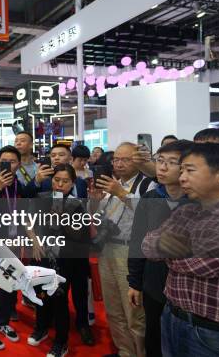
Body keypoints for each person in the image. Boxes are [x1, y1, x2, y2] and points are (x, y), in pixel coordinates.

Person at [142, 143, 219, 357]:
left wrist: (167, 251)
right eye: (181, 171)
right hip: (171, 315)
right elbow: (147, 246)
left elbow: (202, 263)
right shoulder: (186, 210)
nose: (182, 178)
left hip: (211, 331)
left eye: (190, 170)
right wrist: (167, 246)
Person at [127, 140, 193, 357]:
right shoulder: (150, 197)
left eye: (171, 163)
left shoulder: (197, 200)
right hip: (153, 284)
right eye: (160, 161)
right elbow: (137, 241)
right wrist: (135, 282)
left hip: (187, 291)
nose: (162, 168)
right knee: (154, 337)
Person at [89, 142, 156, 357]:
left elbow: (148, 216)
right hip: (107, 249)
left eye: (125, 159)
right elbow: (98, 220)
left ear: (138, 160)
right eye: (116, 159)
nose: (118, 163)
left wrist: (121, 193)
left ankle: (140, 353)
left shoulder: (148, 186)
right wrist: (94, 202)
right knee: (113, 308)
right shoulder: (111, 184)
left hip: (129, 252)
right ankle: (124, 351)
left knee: (134, 312)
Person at [0, 145, 37, 350]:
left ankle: (2, 322)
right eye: (4, 161)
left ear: (19, 164)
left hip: (11, 243)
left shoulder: (18, 184)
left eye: (12, 162)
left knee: (8, 284)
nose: (8, 165)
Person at [28, 164, 92, 357]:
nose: (60, 184)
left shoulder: (77, 204)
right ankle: (41, 328)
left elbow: (80, 234)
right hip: (43, 256)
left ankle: (61, 342)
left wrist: (62, 218)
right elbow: (28, 222)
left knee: (59, 299)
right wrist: (34, 241)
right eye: (57, 180)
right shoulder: (42, 197)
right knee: (40, 294)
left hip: (65, 259)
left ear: (72, 183)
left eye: (65, 181)